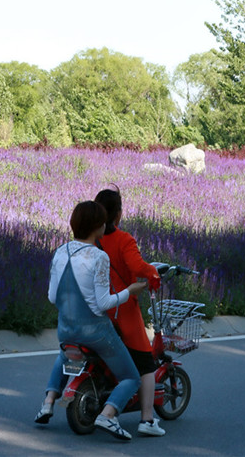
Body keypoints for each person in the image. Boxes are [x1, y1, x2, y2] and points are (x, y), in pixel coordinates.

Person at [34, 200, 148, 441]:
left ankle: (47, 402)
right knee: (131, 377)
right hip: (95, 332)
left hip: (66, 329)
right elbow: (103, 304)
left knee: (65, 355)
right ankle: (108, 414)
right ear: (98, 226)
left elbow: (53, 297)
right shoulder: (98, 257)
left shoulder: (60, 252)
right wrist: (130, 291)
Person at [94, 187, 166, 437]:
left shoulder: (91, 240)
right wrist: (152, 274)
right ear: (119, 214)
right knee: (146, 365)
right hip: (122, 311)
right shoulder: (124, 240)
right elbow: (137, 265)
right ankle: (147, 419)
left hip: (95, 310)